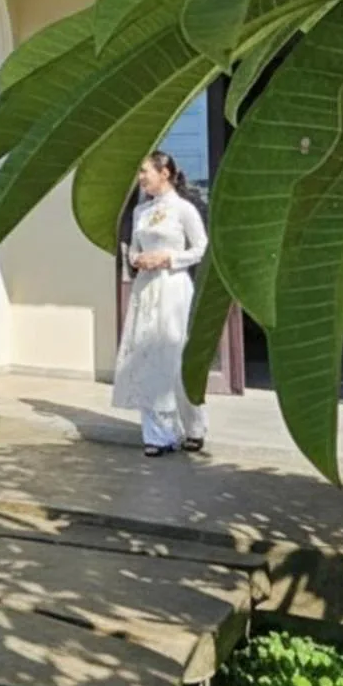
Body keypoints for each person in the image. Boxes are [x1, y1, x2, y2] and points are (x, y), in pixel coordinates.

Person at [111, 152, 210, 457]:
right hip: (146, 288)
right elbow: (132, 249)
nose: (140, 178)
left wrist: (168, 258)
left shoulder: (184, 210)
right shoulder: (141, 211)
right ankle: (157, 434)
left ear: (164, 173)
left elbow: (201, 248)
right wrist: (138, 260)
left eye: (145, 172)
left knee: (175, 356)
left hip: (173, 288)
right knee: (145, 355)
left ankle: (193, 427)